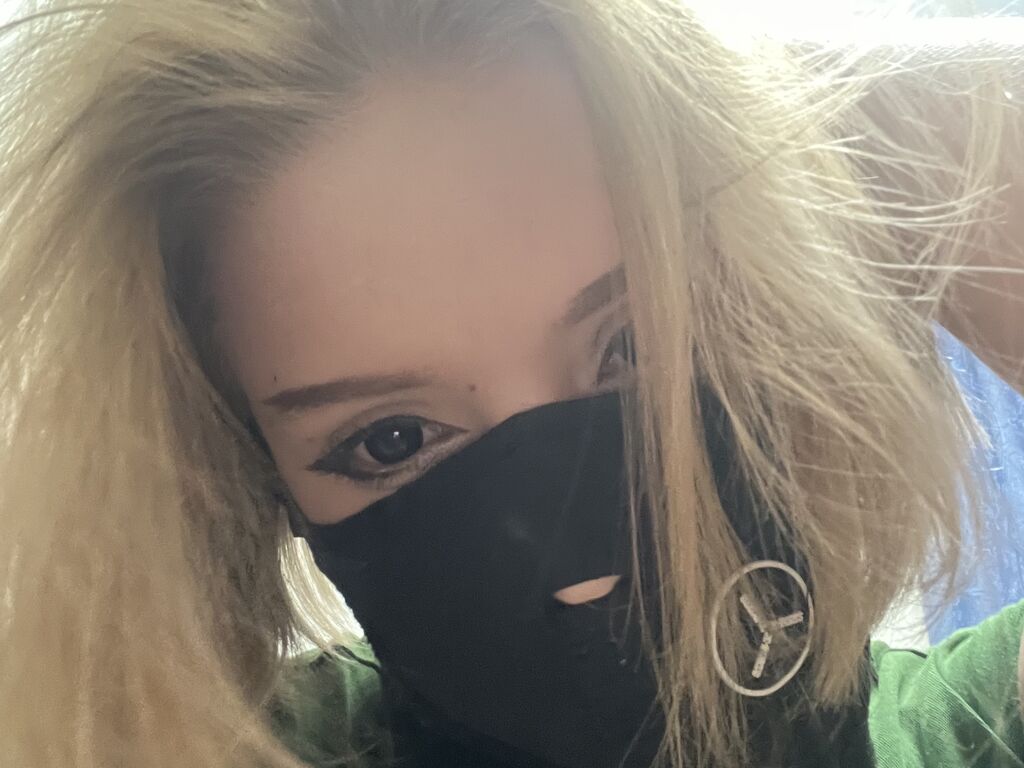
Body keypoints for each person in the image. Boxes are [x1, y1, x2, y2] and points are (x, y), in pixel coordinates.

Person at [0, 1, 1021, 766]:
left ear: (776, 310)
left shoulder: (975, 730)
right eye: (393, 439)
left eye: (633, 344)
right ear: (253, 487)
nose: (583, 583)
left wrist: (834, 129)